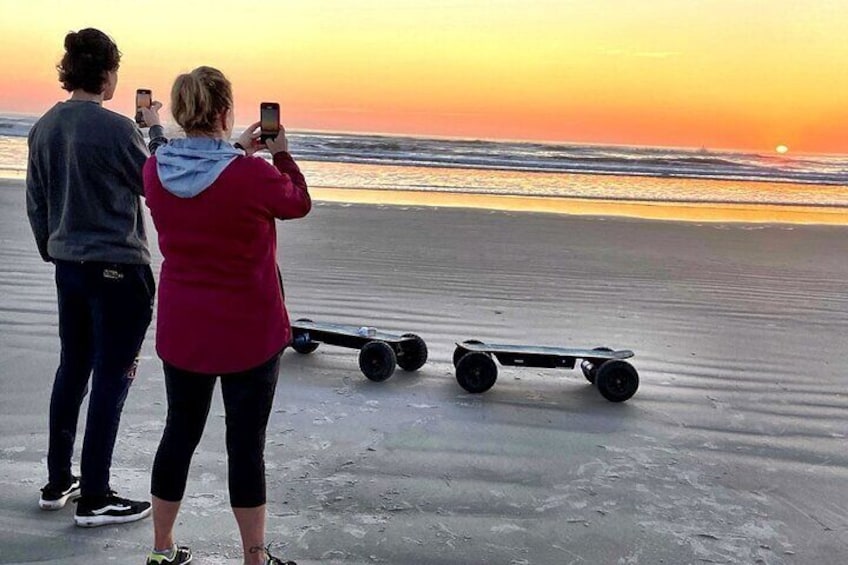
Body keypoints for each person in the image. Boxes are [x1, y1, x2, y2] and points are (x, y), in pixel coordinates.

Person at [142, 66, 310, 565]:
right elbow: (297, 202)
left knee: (180, 432)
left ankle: (161, 549)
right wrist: (279, 153)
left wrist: (238, 151)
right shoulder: (252, 175)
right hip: (249, 331)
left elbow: (180, 161)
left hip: (184, 329)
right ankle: (253, 558)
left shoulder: (155, 171)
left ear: (180, 112)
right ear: (222, 111)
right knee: (245, 444)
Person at [26, 28, 165, 527]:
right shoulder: (115, 130)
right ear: (107, 74)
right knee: (112, 375)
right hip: (118, 266)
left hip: (69, 265)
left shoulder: (44, 127)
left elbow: (37, 202)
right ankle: (97, 493)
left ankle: (59, 478)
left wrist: (54, 248)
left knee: (73, 368)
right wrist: (153, 131)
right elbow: (157, 185)